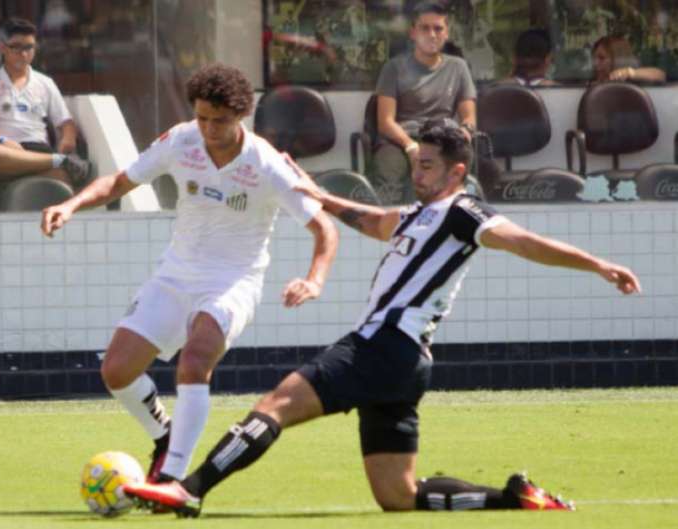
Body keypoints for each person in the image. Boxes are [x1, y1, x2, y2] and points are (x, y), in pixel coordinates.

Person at [123, 123, 641, 517]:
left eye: (430, 166)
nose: (419, 173)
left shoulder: (465, 212)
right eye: (417, 163)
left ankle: (187, 490)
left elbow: (525, 243)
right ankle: (511, 499)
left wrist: (597, 264)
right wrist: (314, 191)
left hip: (382, 345)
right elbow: (371, 220)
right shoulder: (420, 215)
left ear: (457, 173)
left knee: (276, 404)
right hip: (404, 362)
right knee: (398, 496)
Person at [40, 63, 338, 486]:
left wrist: (315, 279)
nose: (208, 128)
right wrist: (70, 205)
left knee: (195, 360)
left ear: (241, 116)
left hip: (233, 281)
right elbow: (119, 183)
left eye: (219, 120)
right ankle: (164, 436)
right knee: (116, 371)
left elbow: (323, 227)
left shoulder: (267, 164)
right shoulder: (181, 140)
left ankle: (173, 479)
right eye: (201, 117)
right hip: (175, 275)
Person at [0, 18, 89, 189]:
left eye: (29, 47)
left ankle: (56, 162)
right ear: (2, 47)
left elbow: (66, 123)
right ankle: (60, 161)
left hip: (39, 151)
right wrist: (0, 140)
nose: (23, 54)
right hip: (4, 152)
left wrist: (68, 138)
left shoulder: (45, 82)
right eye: (16, 47)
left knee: (61, 182)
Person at [371, 1, 476, 205]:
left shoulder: (459, 67)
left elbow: (469, 116)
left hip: (441, 137)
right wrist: (410, 147)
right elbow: (385, 122)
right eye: (425, 28)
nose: (432, 34)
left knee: (456, 173)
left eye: (438, 28)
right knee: (390, 168)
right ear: (413, 32)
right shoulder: (394, 68)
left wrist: (465, 131)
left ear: (447, 33)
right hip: (401, 140)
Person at [591, 36, 666, 84]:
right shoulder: (591, 83)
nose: (595, 63)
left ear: (618, 58)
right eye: (594, 58)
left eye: (602, 58)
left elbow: (660, 75)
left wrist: (630, 73)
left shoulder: (631, 80)